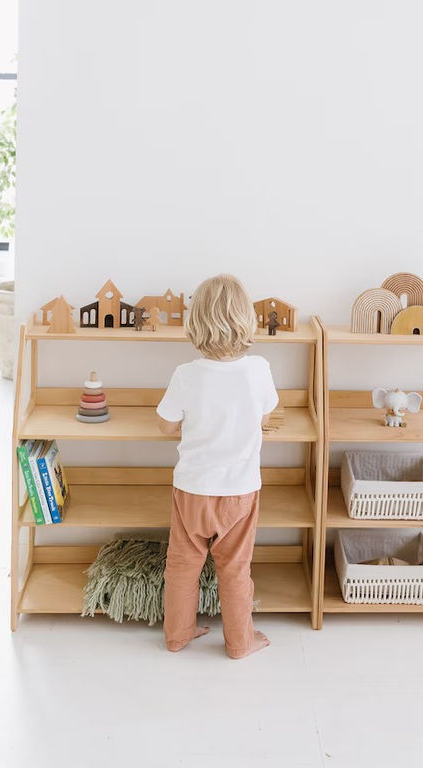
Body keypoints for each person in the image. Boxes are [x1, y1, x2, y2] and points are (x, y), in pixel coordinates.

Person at [156, 273, 279, 659]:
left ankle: (177, 636)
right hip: (240, 492)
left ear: (197, 323)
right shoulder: (258, 369)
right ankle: (240, 642)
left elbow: (165, 423)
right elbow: (265, 415)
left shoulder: (186, 374)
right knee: (235, 570)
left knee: (181, 565)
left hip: (193, 490)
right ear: (246, 320)